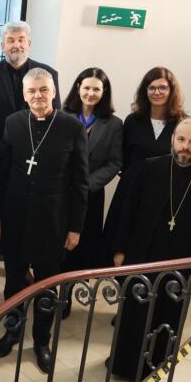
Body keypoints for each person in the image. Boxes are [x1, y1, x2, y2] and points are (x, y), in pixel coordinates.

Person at [110, 118, 191, 381]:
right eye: (181, 139)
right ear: (173, 139)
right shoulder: (150, 168)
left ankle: (155, 367)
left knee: (167, 316)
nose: (185, 146)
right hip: (142, 256)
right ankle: (122, 365)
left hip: (181, 265)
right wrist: (120, 250)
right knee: (133, 313)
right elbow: (128, 212)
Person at [0, 68, 89, 372]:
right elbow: (3, 171)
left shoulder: (71, 126)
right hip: (16, 218)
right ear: (24, 94)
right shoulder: (13, 122)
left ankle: (41, 341)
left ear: (54, 92)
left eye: (44, 90)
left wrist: (75, 227)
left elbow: (80, 182)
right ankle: (13, 331)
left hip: (53, 221)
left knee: (47, 286)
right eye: (32, 91)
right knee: (13, 282)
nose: (38, 96)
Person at [102, 66, 187, 262]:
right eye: (151, 87)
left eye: (162, 87)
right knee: (118, 248)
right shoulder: (133, 121)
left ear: (172, 90)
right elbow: (122, 158)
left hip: (165, 194)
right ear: (145, 91)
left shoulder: (182, 123)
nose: (157, 92)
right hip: (129, 190)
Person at [60, 68, 123, 273]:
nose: (90, 93)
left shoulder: (114, 124)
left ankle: (74, 287)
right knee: (57, 247)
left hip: (91, 194)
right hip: (60, 192)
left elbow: (114, 162)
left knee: (82, 249)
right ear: (78, 88)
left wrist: (86, 185)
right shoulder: (61, 116)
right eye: (86, 87)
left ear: (104, 91)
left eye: (96, 89)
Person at [0, 21, 61, 139]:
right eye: (11, 41)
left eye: (21, 40)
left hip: (37, 141)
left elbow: (55, 113)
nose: (17, 45)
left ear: (29, 44)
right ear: (2, 46)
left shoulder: (49, 73)